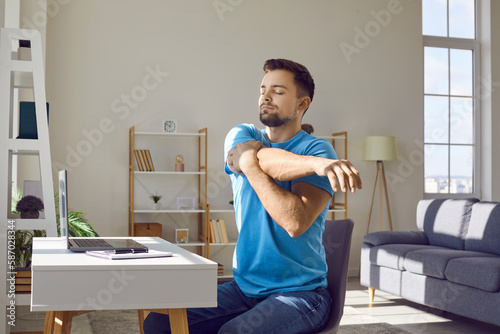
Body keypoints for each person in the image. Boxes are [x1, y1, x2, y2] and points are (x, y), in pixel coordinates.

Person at [144, 59, 362, 334]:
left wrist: (249, 163)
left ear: (302, 103)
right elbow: (257, 157)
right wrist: (314, 166)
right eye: (263, 89)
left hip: (302, 294)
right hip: (243, 288)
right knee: (158, 322)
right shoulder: (241, 133)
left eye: (279, 91)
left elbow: (293, 222)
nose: (266, 97)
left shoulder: (319, 150)